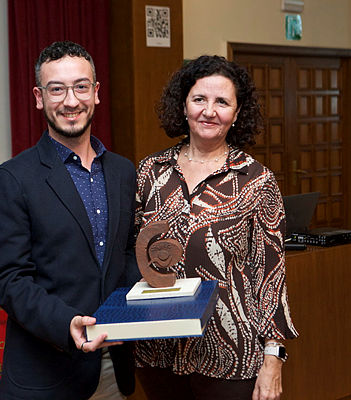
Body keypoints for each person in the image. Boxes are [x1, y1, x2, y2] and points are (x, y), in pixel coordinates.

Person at [134, 55, 298, 400]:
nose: (209, 111)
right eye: (200, 99)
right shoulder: (150, 172)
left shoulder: (257, 181)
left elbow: (270, 276)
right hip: (157, 351)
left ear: (237, 114)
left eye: (222, 102)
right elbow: (129, 255)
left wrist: (274, 358)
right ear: (183, 106)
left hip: (229, 352)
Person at [0, 41, 140, 400]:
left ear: (96, 92)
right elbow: (9, 280)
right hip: (45, 374)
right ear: (39, 97)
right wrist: (66, 324)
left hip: (114, 368)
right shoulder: (11, 180)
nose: (71, 101)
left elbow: (128, 252)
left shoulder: (122, 172)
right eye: (57, 89)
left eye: (81, 86)